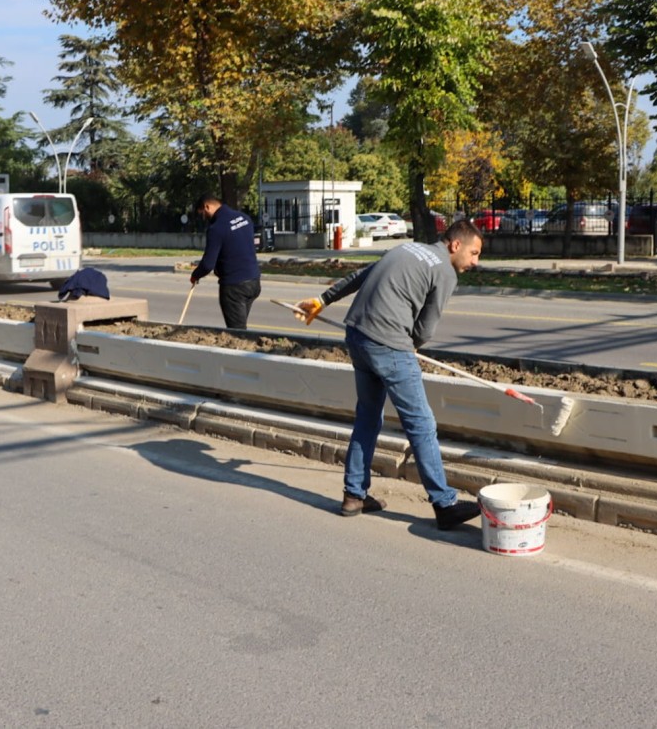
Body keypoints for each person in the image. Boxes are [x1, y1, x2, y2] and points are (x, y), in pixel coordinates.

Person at [295, 219, 484, 530]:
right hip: (388, 345)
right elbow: (425, 328)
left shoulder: (405, 248)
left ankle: (354, 495)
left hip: (356, 335)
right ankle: (445, 503)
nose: (475, 262)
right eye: (474, 253)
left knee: (368, 416)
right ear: (456, 245)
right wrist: (411, 347)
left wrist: (323, 299)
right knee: (421, 424)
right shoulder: (445, 271)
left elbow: (359, 277)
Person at [190, 194, 261, 330]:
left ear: (207, 206)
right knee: (241, 326)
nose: (204, 219)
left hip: (234, 287)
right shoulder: (244, 218)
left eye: (203, 214)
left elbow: (207, 264)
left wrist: (195, 275)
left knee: (237, 333)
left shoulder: (216, 228)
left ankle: (241, 351)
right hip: (254, 281)